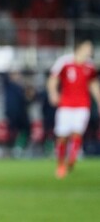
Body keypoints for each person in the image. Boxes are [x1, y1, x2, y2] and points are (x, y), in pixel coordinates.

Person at [47, 39, 100, 179]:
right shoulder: (64, 62)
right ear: (79, 48)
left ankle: (71, 160)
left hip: (83, 105)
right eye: (87, 48)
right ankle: (60, 164)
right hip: (65, 105)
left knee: (77, 133)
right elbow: (53, 78)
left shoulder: (90, 66)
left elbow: (93, 84)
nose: (90, 51)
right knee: (62, 137)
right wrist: (53, 93)